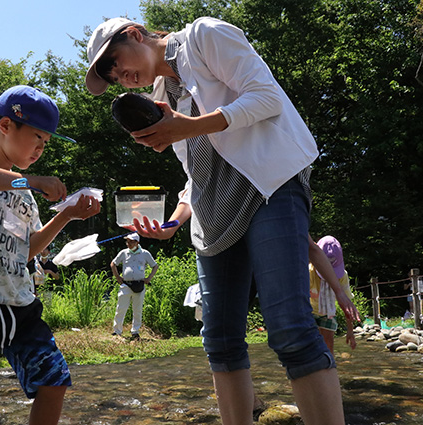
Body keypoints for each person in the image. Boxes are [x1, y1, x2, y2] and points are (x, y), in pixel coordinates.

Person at [86, 16, 346, 424]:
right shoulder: (160, 95)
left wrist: (188, 126)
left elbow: (266, 97)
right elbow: (197, 174)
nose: (120, 76)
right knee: (220, 341)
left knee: (290, 329)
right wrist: (172, 222)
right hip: (213, 213)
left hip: (270, 188)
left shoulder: (204, 37)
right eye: (112, 76)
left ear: (135, 34)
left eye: (116, 63)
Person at [0, 85, 101, 425]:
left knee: (53, 379)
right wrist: (29, 182)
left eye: (46, 143)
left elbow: (26, 250)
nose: (41, 148)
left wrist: (66, 215)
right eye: (37, 138)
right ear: (6, 126)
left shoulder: (25, 194)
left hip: (18, 304)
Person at [309, 236, 357, 354]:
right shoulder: (309, 272)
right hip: (308, 311)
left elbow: (346, 305)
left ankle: (329, 365)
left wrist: (350, 331)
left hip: (327, 312)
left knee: (328, 344)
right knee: (308, 344)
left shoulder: (342, 276)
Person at [110, 233, 159, 340]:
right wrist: (118, 277)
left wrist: (149, 278)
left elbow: (155, 266)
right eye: (127, 241)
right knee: (121, 308)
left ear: (137, 242)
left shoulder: (145, 253)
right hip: (126, 284)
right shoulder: (123, 253)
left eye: (131, 241)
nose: (129, 244)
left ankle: (135, 331)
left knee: (137, 309)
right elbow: (113, 264)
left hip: (139, 284)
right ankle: (117, 330)